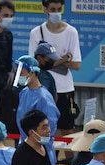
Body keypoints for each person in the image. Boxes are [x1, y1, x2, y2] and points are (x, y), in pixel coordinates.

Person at [27, 0, 81, 134]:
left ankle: (69, 156)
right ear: (45, 9)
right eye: (53, 9)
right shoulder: (36, 33)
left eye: (59, 9)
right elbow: (34, 64)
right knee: (43, 129)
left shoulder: (71, 32)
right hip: (43, 89)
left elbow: (76, 65)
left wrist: (49, 61)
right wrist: (63, 58)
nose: (56, 13)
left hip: (65, 89)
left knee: (67, 129)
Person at [15, 56, 60, 165]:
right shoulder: (24, 93)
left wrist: (38, 151)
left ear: (32, 72)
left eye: (21, 72)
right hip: (25, 147)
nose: (18, 75)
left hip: (40, 152)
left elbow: (48, 131)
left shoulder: (44, 98)